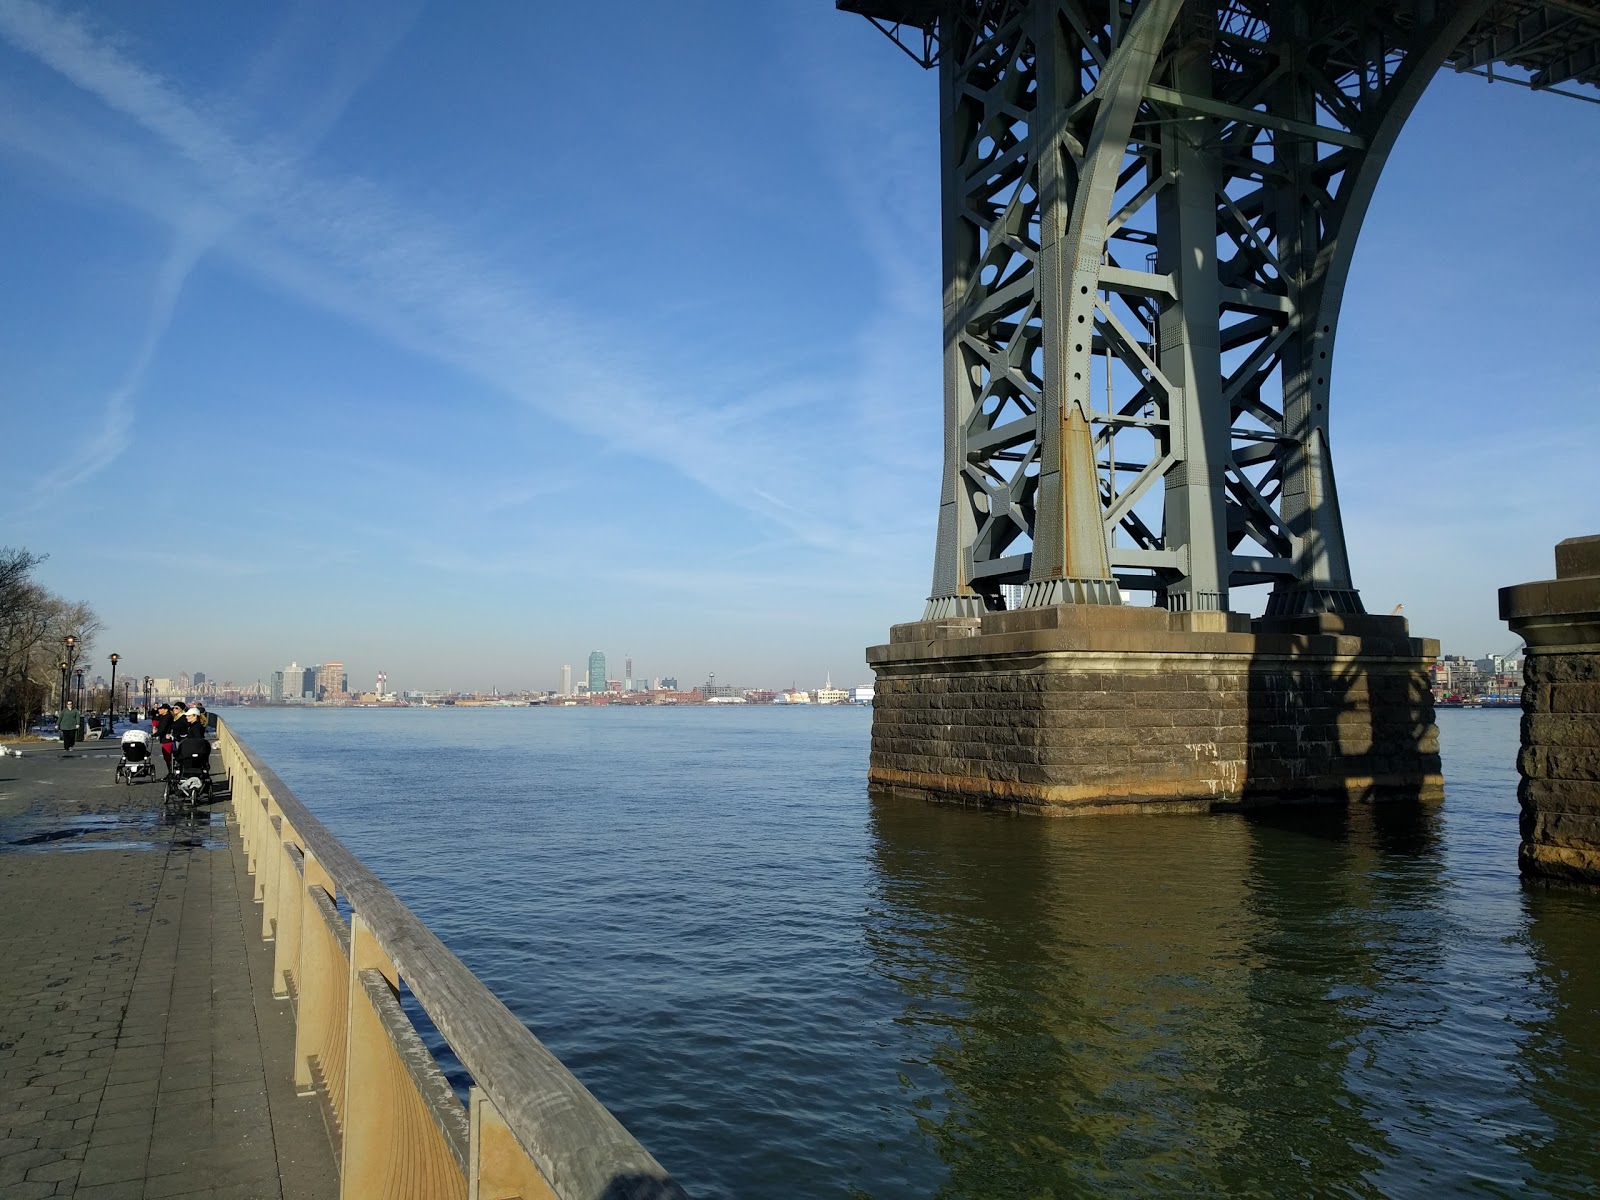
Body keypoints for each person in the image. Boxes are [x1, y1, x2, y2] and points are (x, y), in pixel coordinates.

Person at [153, 702, 177, 776]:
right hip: (165, 739)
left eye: (161, 709)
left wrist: (154, 735)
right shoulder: (164, 716)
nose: (159, 710)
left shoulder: (167, 717)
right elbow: (156, 719)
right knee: (167, 757)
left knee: (168, 757)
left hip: (167, 740)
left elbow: (162, 729)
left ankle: (171, 772)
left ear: (166, 710)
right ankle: (171, 772)